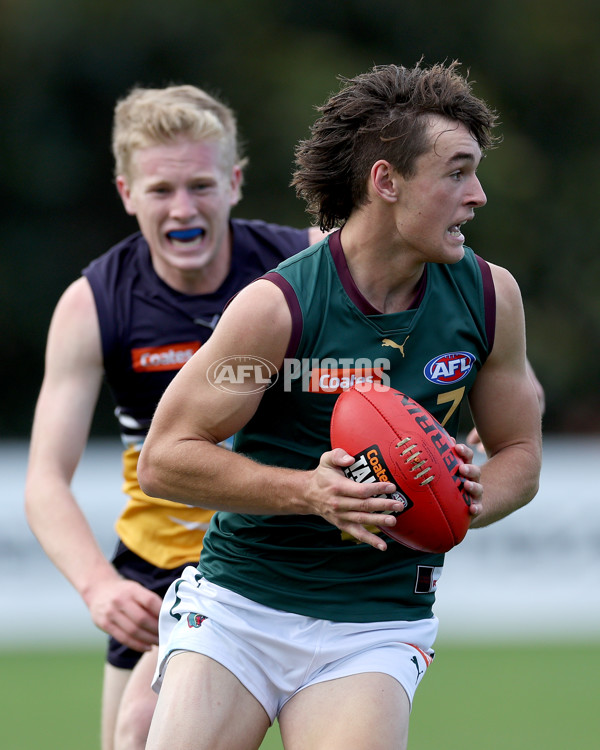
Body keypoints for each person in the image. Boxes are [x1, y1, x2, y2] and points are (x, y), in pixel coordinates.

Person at [138, 61, 543, 750]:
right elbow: (164, 461)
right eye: (455, 172)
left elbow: (520, 455)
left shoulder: (489, 298)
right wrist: (309, 492)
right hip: (241, 606)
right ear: (386, 182)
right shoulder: (277, 310)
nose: (476, 196)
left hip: (375, 620)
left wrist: (461, 495)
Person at [24, 84, 325, 750]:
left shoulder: (308, 266)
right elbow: (44, 480)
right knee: (129, 737)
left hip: (280, 552)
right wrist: (99, 586)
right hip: (156, 573)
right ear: (126, 192)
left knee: (142, 726)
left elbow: (426, 324)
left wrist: (479, 403)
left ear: (235, 183)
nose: (183, 209)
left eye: (201, 185)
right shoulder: (93, 304)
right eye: (161, 191)